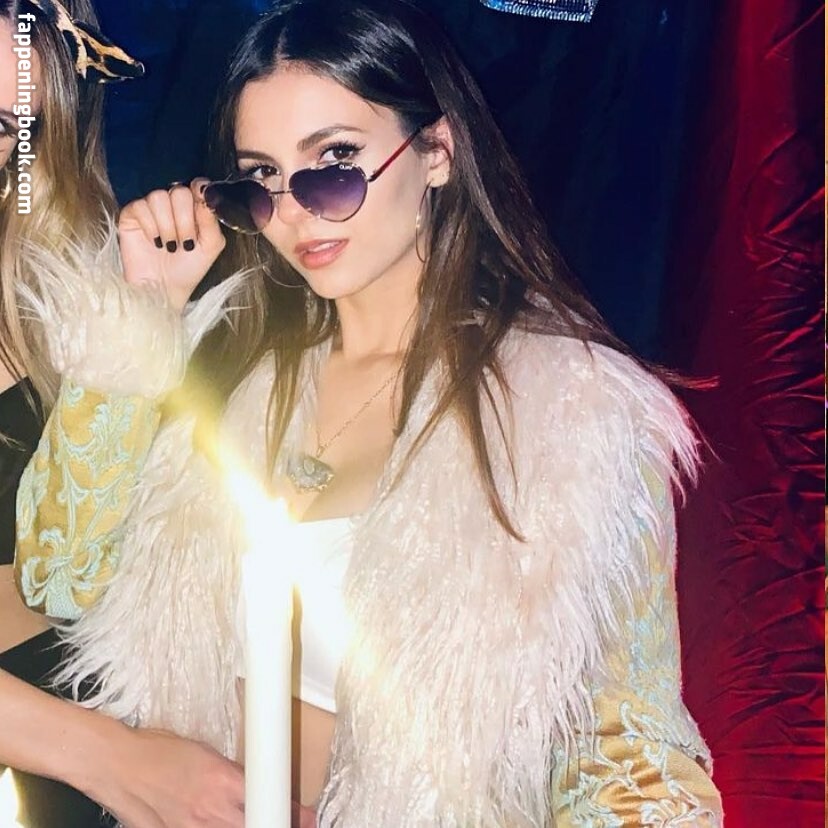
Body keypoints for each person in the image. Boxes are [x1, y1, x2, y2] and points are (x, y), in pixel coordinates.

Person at [15, 0, 724, 824]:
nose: (297, 210)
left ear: (436, 152)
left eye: (335, 162)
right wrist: (142, 315)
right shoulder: (226, 374)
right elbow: (59, 579)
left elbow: (629, 754)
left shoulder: (570, 414)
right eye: (263, 179)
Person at [0, 1, 245, 825]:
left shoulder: (53, 298)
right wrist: (108, 757)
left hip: (87, 733)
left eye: (2, 126)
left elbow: (69, 576)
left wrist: (143, 315)